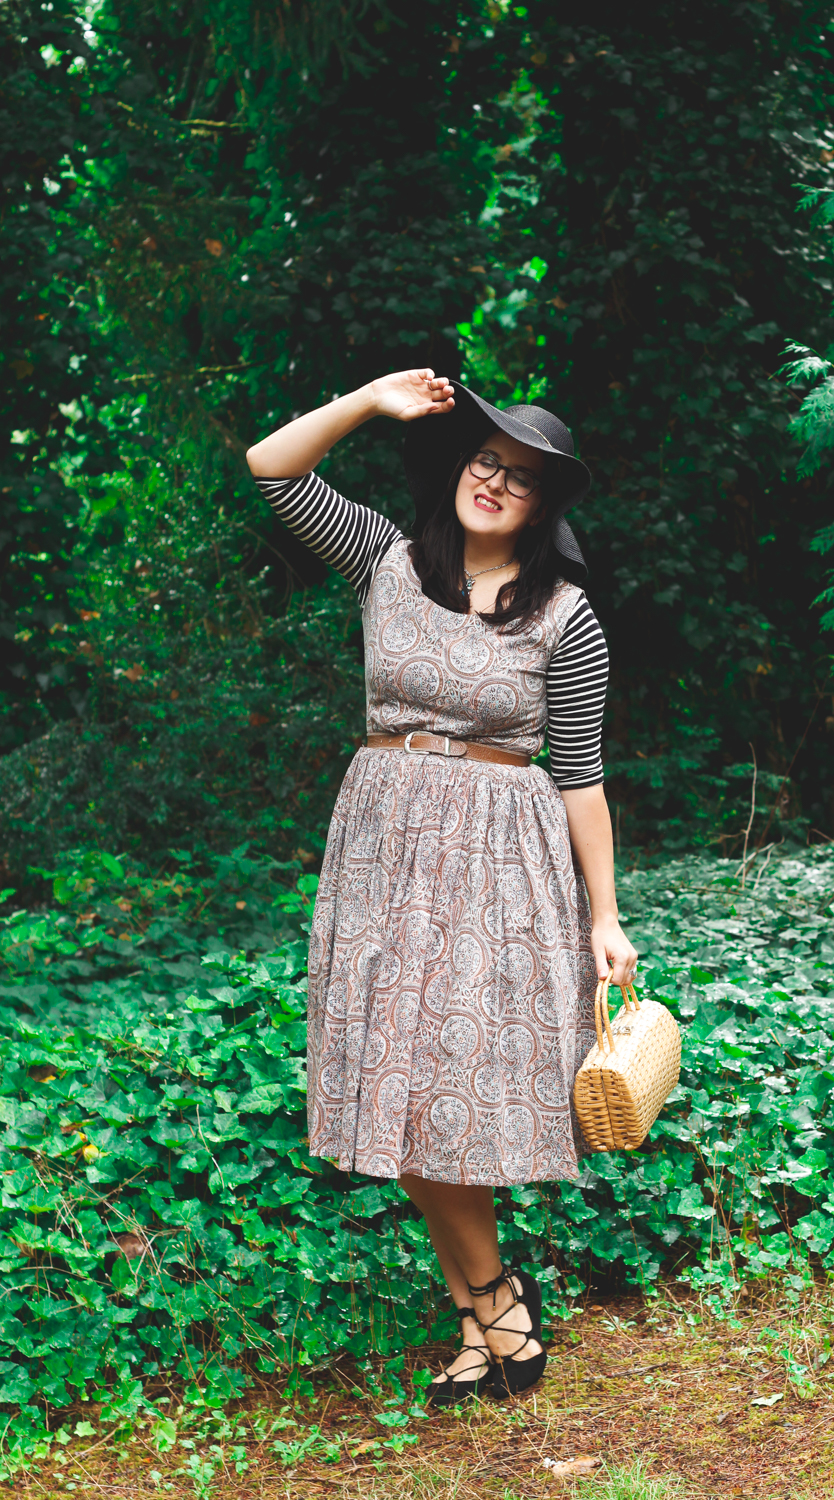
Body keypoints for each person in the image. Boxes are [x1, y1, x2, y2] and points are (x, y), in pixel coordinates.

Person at [246, 369, 637, 1404]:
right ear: (460, 467)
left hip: (498, 860)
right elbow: (271, 467)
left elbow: (583, 773)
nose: (496, 483)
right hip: (382, 849)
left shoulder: (566, 616)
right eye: (485, 460)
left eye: (522, 478)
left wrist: (607, 917)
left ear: (546, 507)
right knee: (399, 1083)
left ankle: (491, 1314)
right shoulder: (383, 560)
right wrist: (370, 401)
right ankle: (491, 1311)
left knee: (442, 1087)